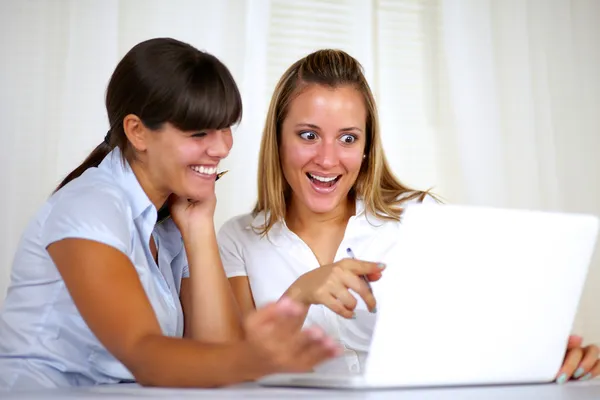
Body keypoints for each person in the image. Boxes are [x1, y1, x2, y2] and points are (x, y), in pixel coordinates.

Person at [217, 49, 600, 382]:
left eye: (348, 138)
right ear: (278, 140)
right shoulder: (239, 239)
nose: (328, 159)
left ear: (367, 147)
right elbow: (238, 368)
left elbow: (481, 337)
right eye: (308, 135)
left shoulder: (418, 220)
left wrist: (551, 358)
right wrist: (300, 293)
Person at [0, 38, 340, 392]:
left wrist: (199, 229)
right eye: (199, 133)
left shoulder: (171, 218)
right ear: (137, 132)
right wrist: (254, 358)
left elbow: (216, 355)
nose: (222, 147)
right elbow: (145, 355)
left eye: (226, 127)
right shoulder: (90, 206)